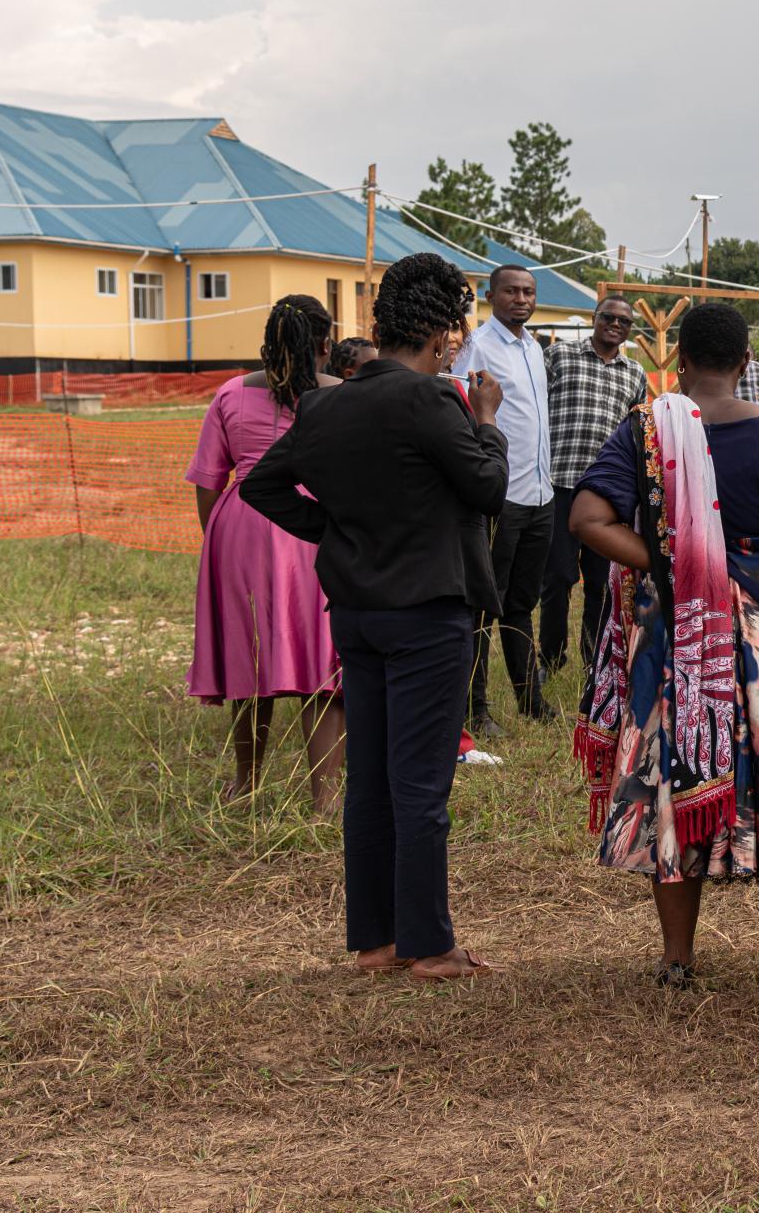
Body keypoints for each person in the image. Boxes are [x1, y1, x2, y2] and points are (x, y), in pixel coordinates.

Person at [241, 252, 509, 981]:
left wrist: (334, 530)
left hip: (358, 613)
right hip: (427, 614)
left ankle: (375, 941)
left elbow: (261, 483)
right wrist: (487, 420)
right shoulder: (431, 400)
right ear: (438, 333)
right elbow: (486, 486)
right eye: (453, 329)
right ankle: (429, 945)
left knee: (371, 781)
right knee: (422, 785)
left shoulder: (328, 403)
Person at [570, 302, 759, 985]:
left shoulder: (646, 430)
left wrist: (669, 563)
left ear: (681, 361)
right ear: (747, 364)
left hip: (674, 631)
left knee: (674, 771)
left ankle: (676, 956)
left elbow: (587, 517)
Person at [185, 294, 345, 811]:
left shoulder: (230, 394)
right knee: (324, 664)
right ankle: (325, 799)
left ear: (268, 341)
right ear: (325, 344)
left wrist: (222, 541)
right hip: (316, 526)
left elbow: (209, 482)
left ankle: (246, 781)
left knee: (247, 658)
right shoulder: (342, 396)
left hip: (243, 525)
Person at [452, 263, 554, 732]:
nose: (522, 299)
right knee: (482, 606)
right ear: (491, 295)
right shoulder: (478, 348)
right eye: (511, 291)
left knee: (522, 603)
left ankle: (530, 701)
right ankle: (476, 708)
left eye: (529, 291)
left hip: (539, 494)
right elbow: (463, 410)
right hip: (500, 495)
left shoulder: (533, 347)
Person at [541, 295, 647, 695]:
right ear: (594, 318)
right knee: (557, 577)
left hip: (609, 493)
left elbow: (638, 431)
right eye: (609, 317)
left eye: (624, 321)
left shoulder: (634, 373)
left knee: (601, 583)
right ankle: (551, 659)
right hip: (560, 481)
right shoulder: (559, 357)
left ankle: (594, 660)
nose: (616, 325)